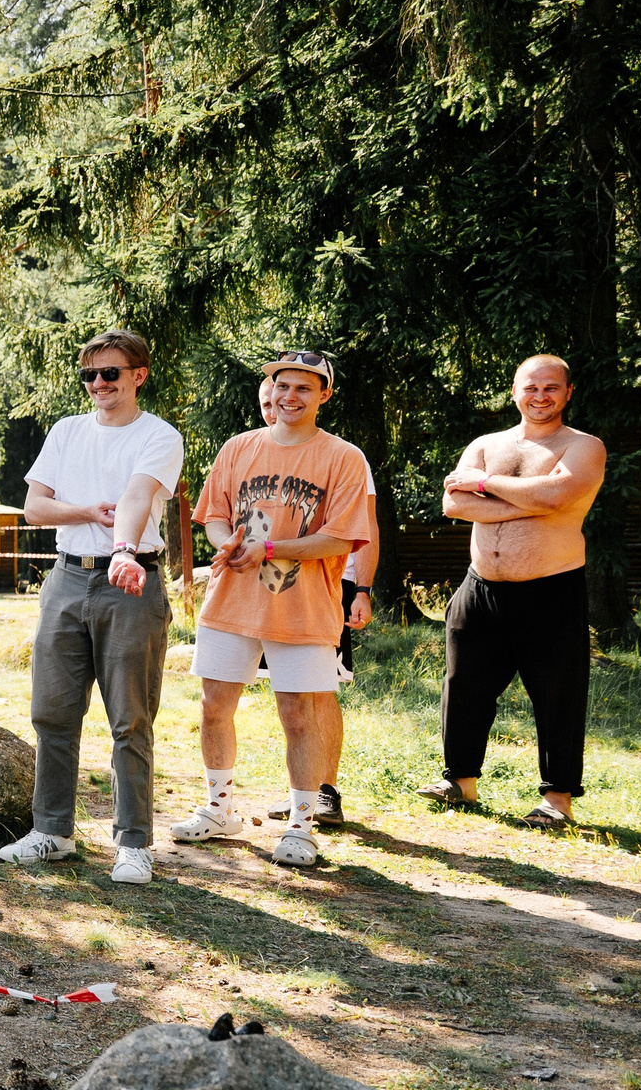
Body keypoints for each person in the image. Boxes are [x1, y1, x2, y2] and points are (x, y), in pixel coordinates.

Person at [169, 352, 374, 866]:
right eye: (281, 385)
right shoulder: (239, 447)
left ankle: (302, 827)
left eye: (303, 388)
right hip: (231, 601)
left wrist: (268, 550)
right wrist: (228, 542)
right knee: (214, 706)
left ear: (324, 395)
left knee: (298, 715)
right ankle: (220, 810)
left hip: (305, 609)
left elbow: (340, 539)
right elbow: (213, 516)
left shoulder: (343, 457)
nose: (289, 397)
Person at [0, 330, 185, 887]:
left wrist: (123, 548)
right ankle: (52, 831)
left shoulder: (160, 435)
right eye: (90, 375)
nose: (99, 384)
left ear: (138, 376)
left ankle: (133, 843)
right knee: (52, 712)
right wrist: (85, 512)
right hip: (64, 579)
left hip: (129, 582)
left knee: (130, 718)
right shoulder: (66, 431)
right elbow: (34, 508)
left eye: (111, 374)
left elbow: (135, 496)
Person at [423, 354, 606, 827]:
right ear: (514, 391)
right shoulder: (486, 442)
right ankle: (460, 783)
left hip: (551, 588)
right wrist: (534, 501)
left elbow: (556, 496)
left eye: (550, 388)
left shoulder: (584, 447)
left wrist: (486, 485)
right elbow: (454, 504)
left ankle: (557, 801)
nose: (539, 396)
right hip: (480, 586)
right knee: (463, 686)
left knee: (557, 695)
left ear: (568, 393)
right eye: (530, 387)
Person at [253, 375, 380, 827]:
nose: (276, 408)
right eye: (267, 402)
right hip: (270, 581)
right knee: (288, 695)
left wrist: (362, 590)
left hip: (331, 584)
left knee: (318, 689)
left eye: (285, 398)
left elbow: (366, 527)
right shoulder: (257, 453)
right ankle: (300, 790)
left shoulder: (343, 456)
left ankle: (326, 792)